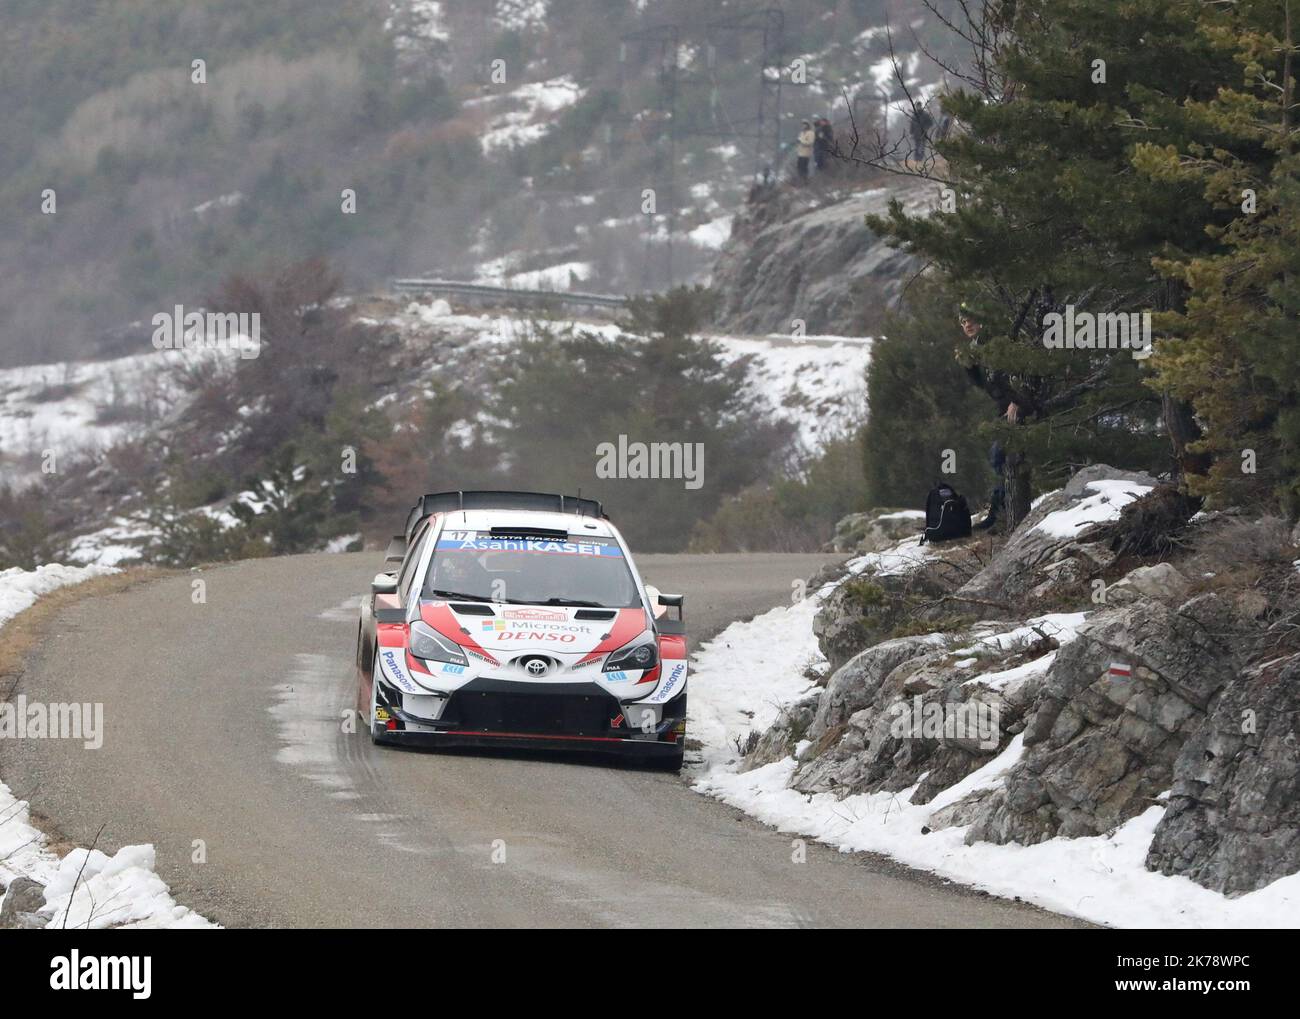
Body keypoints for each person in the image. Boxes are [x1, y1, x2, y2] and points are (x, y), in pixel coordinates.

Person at [955, 302, 1030, 531]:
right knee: (1001, 458)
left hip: (1020, 405)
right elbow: (985, 385)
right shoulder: (977, 346)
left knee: (1001, 456)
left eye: (971, 320)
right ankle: (1000, 514)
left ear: (982, 320)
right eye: (963, 321)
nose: (967, 324)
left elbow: (1021, 369)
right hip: (1005, 408)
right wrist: (968, 366)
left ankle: (1002, 515)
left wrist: (1017, 401)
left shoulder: (996, 342)